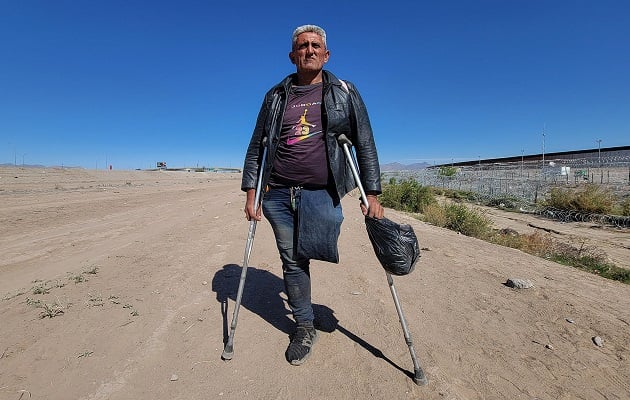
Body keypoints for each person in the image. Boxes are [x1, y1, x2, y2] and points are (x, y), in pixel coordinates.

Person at [241, 24, 384, 366]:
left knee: (314, 248)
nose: (309, 50)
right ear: (292, 56)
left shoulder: (345, 92)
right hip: (276, 192)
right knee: (292, 259)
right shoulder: (275, 96)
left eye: (315, 45)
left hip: (322, 191)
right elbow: (256, 146)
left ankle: (306, 306)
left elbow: (364, 142)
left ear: (326, 54)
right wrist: (251, 190)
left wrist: (373, 192)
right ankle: (304, 324)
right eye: (302, 46)